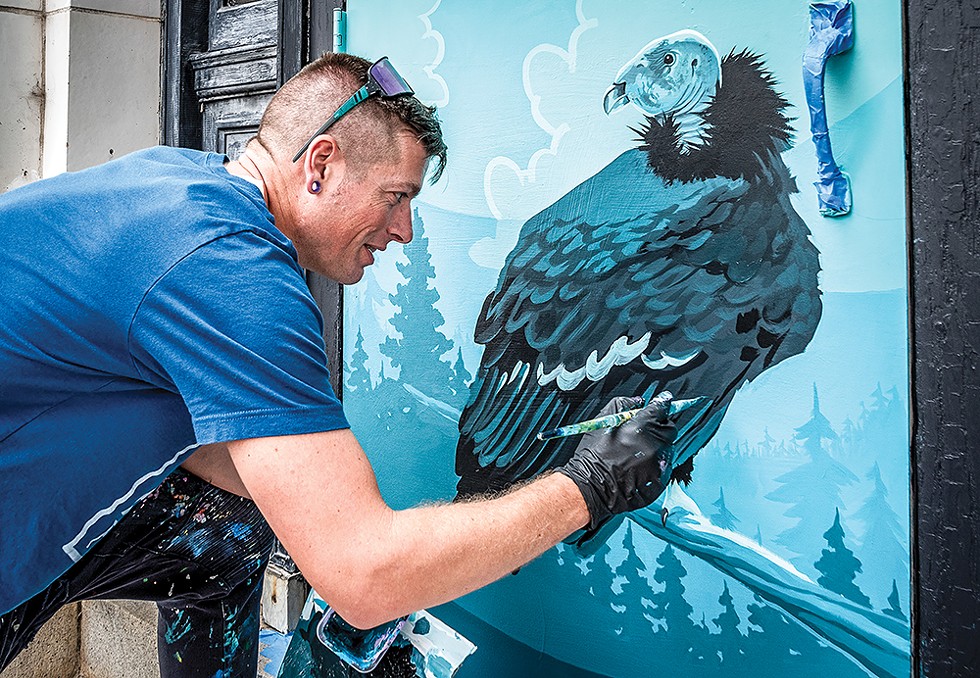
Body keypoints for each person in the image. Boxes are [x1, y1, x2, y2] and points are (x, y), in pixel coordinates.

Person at [0, 52, 675, 675]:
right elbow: (364, 578)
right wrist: (588, 484)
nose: (405, 230)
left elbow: (216, 458)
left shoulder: (184, 186)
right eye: (396, 197)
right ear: (319, 163)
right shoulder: (231, 273)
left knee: (235, 520)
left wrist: (345, 521)